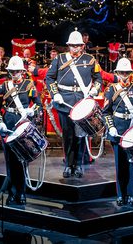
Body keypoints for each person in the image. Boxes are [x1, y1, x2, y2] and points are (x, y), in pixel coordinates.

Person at [45, 29, 103, 178]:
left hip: (82, 103)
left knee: (81, 136)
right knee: (68, 136)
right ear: (68, 45)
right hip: (64, 102)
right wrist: (55, 93)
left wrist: (95, 90)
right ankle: (68, 165)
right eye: (72, 45)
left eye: (78, 45)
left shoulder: (90, 60)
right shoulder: (59, 59)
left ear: (82, 46)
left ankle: (78, 165)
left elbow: (98, 79)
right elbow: (49, 78)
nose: (75, 48)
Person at [0, 56, 42, 205]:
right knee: (10, 161)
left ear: (22, 71)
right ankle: (12, 192)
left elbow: (38, 105)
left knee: (21, 161)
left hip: (23, 125)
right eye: (11, 71)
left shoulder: (29, 85)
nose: (14, 74)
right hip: (8, 125)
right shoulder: (4, 86)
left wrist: (33, 111)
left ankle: (21, 193)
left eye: (16, 71)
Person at [102, 58, 133, 207]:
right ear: (117, 73)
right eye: (121, 72)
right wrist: (111, 127)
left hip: (132, 129)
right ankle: (121, 195)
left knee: (131, 165)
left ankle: (131, 195)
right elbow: (106, 112)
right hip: (118, 130)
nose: (124, 75)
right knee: (120, 165)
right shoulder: (111, 89)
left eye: (127, 72)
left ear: (130, 73)